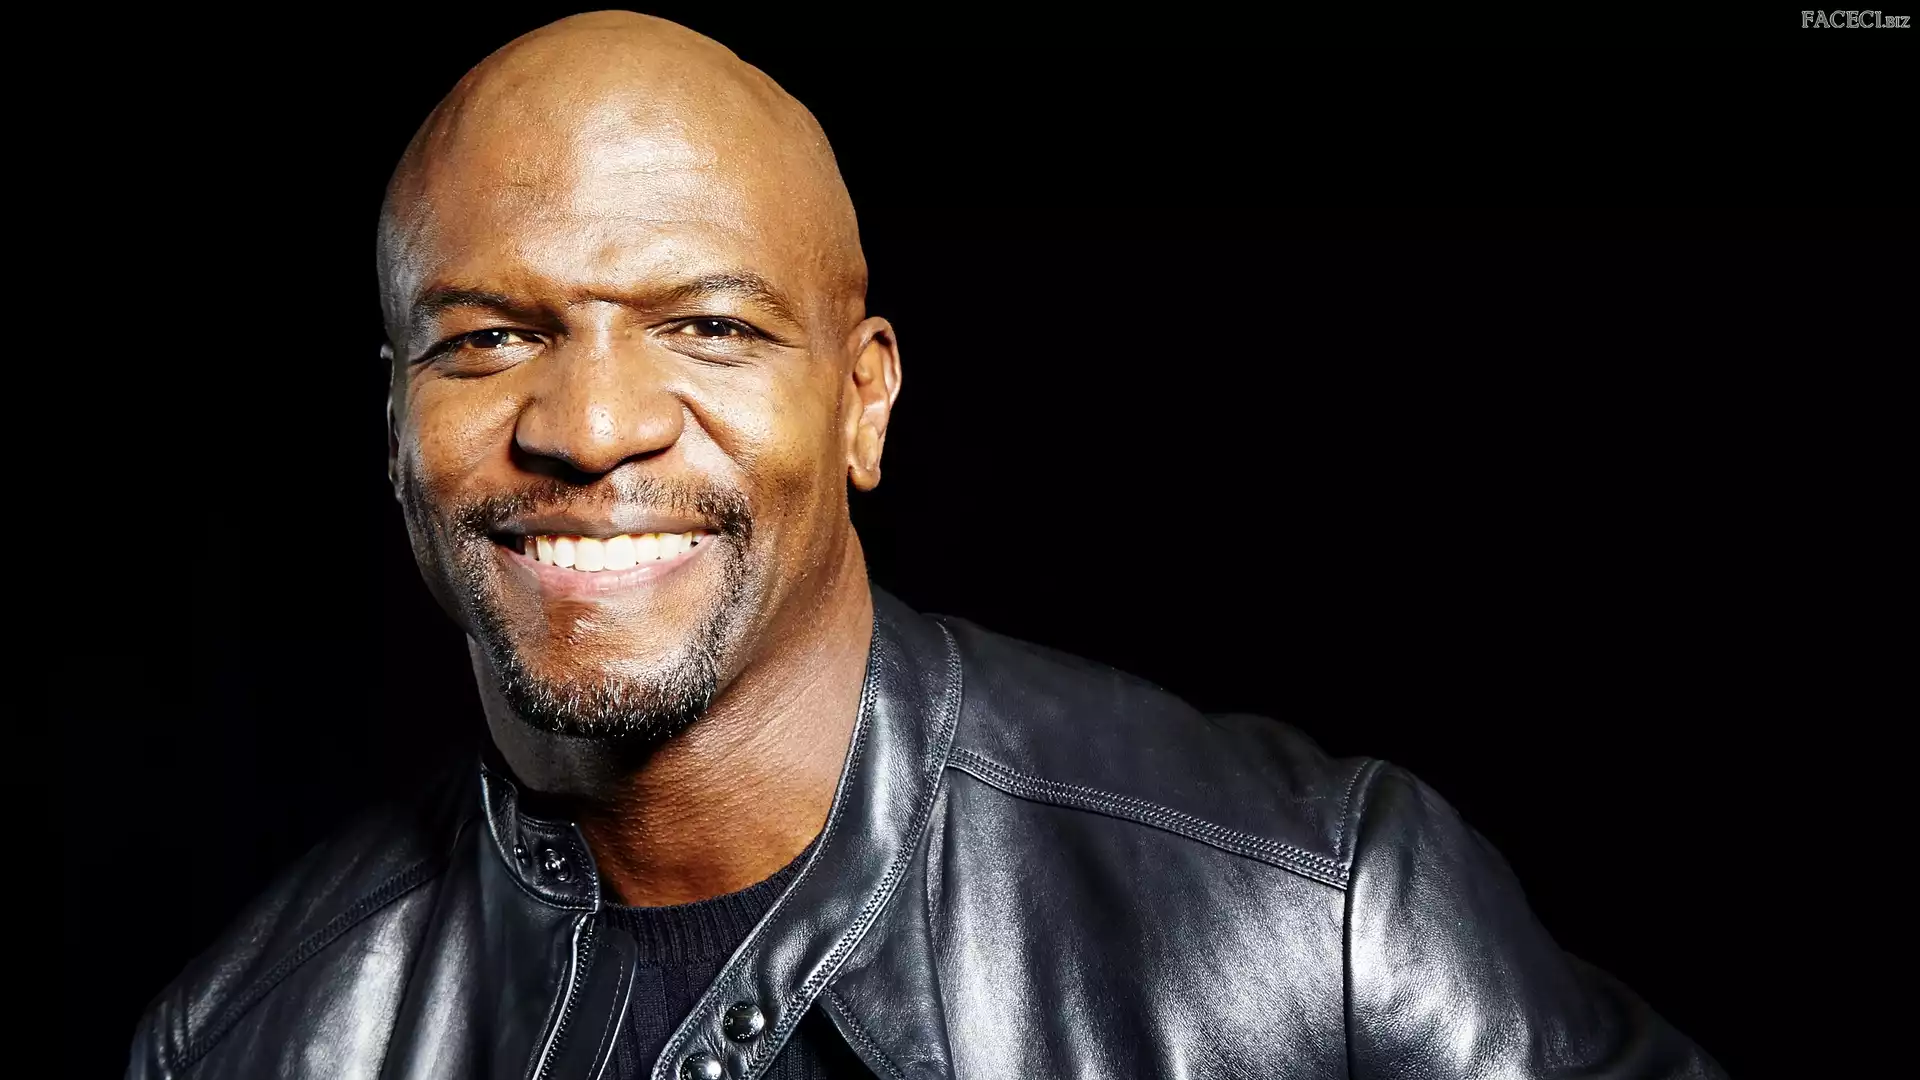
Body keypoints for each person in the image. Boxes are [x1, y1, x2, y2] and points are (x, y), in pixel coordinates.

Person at [129, 12, 1725, 1079]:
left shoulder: (1316, 923)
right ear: (395, 423)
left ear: (863, 402)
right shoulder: (252, 1039)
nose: (594, 424)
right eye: (487, 339)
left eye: (707, 326)